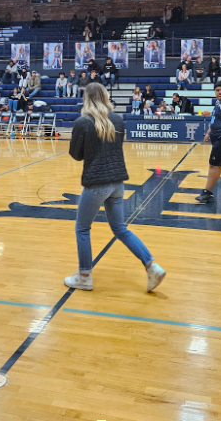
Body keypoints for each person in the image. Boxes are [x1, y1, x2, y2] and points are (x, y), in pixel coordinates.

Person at [65, 83, 166, 292]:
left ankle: (84, 276)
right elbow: (115, 146)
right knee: (120, 228)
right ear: (105, 97)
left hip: (97, 182)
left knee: (82, 228)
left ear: (87, 99)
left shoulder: (82, 123)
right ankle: (152, 266)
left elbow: (76, 155)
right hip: (118, 182)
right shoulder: (118, 119)